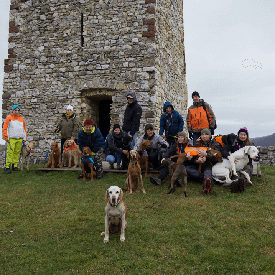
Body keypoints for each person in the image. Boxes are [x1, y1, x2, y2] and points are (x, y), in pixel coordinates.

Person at [185, 128, 221, 194]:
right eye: (202, 134)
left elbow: (217, 158)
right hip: (197, 164)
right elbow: (193, 157)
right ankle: (205, 179)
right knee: (187, 169)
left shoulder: (215, 144)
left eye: (206, 134)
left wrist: (206, 155)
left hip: (208, 164)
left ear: (210, 135)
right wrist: (195, 160)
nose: (204, 136)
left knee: (207, 172)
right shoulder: (196, 143)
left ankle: (206, 186)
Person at [221, 127, 256, 192]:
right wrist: (229, 157)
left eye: (244, 135)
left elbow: (257, 156)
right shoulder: (233, 143)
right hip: (236, 164)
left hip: (246, 164)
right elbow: (223, 150)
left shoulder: (250, 145)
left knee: (245, 174)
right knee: (235, 175)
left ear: (247, 136)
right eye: (241, 134)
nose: (242, 136)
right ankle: (235, 185)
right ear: (238, 135)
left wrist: (255, 158)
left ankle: (241, 185)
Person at [3, 105, 27, 174]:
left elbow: (24, 129)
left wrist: (24, 137)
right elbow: (5, 128)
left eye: (18, 110)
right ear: (13, 110)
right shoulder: (9, 117)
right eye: (15, 110)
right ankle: (7, 167)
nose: (17, 111)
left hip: (19, 138)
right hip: (11, 138)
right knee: (10, 153)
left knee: (17, 152)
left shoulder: (21, 119)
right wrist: (6, 137)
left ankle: (15, 165)